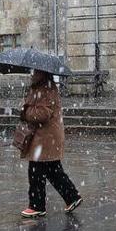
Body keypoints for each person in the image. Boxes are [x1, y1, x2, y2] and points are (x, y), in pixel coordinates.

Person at [19, 68, 82, 218]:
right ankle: (72, 196)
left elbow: (42, 114)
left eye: (35, 72)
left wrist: (25, 111)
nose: (32, 74)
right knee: (53, 170)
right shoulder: (42, 87)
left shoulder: (45, 89)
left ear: (42, 73)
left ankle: (37, 206)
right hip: (46, 137)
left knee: (36, 172)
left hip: (45, 138)